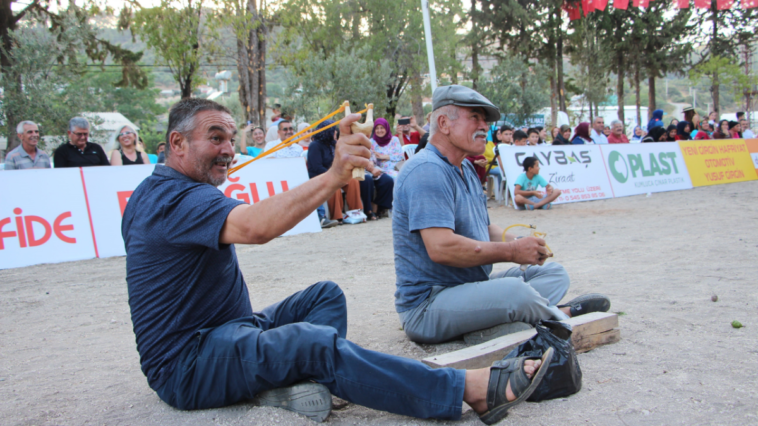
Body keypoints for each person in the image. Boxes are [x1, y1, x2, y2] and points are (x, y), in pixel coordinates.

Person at [123, 97, 556, 425]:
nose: (227, 150)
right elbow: (255, 228)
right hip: (189, 365)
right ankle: (466, 389)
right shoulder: (171, 198)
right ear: (176, 143)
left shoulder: (175, 193)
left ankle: (302, 379)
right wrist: (334, 176)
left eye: (229, 139)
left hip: (228, 335)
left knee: (324, 298)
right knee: (311, 343)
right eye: (215, 137)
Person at [391, 85, 610, 347]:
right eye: (475, 117)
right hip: (428, 306)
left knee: (554, 274)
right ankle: (560, 316)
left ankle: (500, 322)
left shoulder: (466, 169)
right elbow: (441, 248)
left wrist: (521, 242)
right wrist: (512, 252)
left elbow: (484, 228)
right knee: (515, 292)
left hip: (470, 287)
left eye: (486, 119)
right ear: (443, 123)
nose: (485, 126)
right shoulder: (427, 169)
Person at [307, 120, 362, 222]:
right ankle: (337, 216)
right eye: (334, 131)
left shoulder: (334, 145)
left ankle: (355, 213)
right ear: (328, 132)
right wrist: (334, 175)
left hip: (336, 174)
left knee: (353, 180)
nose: (336, 133)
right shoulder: (315, 145)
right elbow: (316, 167)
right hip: (320, 176)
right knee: (334, 184)